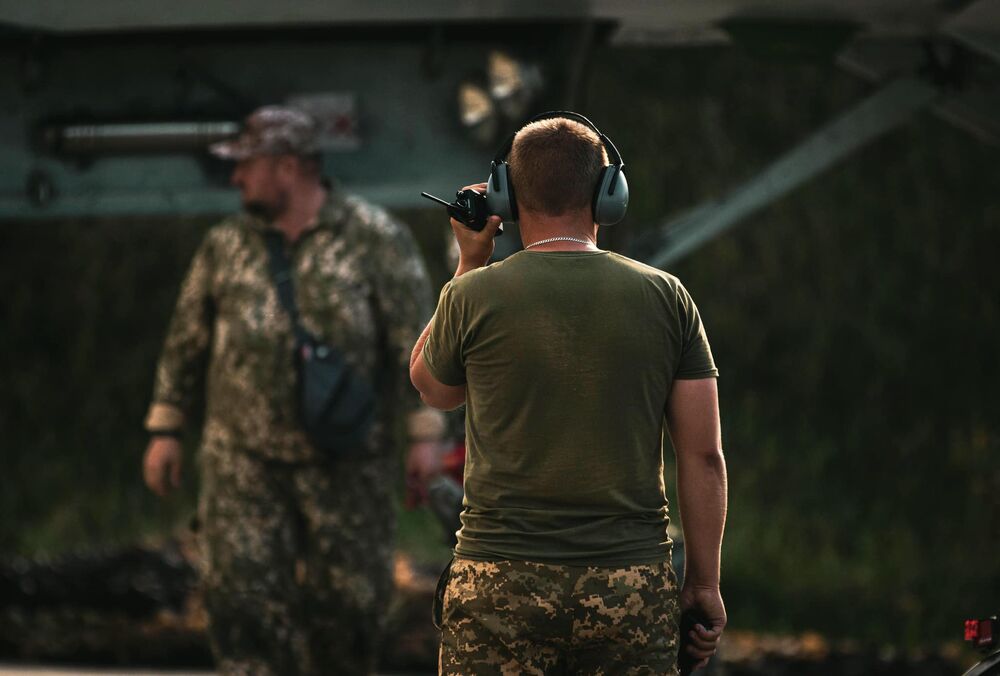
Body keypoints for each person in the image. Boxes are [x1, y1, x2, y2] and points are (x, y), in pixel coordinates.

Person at [410, 115, 728, 674]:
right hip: (629, 587)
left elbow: (433, 389)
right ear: (610, 194)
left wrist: (469, 262)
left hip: (497, 583)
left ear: (505, 194)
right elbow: (703, 456)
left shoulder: (473, 295)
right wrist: (703, 585)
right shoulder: (666, 297)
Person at [141, 105, 446, 675]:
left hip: (348, 462)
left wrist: (425, 436)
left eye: (246, 165)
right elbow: (186, 340)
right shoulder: (225, 246)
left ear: (287, 166)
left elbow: (416, 343)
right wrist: (165, 429)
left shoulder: (375, 238)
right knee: (242, 603)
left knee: (351, 609)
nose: (235, 178)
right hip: (243, 462)